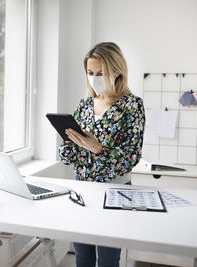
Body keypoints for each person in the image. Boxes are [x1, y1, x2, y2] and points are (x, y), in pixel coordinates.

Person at [59, 42, 145, 267]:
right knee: (82, 255)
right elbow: (71, 156)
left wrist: (98, 148)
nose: (94, 78)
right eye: (90, 73)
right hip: (82, 188)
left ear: (116, 72)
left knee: (108, 259)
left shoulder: (132, 106)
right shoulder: (85, 105)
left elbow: (131, 157)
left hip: (115, 191)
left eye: (100, 73)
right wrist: (69, 143)